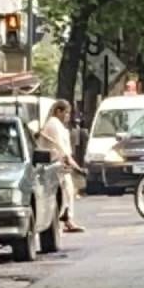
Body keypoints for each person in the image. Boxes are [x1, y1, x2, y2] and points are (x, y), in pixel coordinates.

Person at [39, 99, 86, 232]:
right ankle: (63, 220)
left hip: (61, 165)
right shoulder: (53, 124)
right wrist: (76, 166)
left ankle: (67, 218)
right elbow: (61, 148)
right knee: (63, 192)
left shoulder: (57, 125)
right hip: (56, 165)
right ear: (58, 111)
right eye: (66, 113)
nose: (68, 116)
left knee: (69, 191)